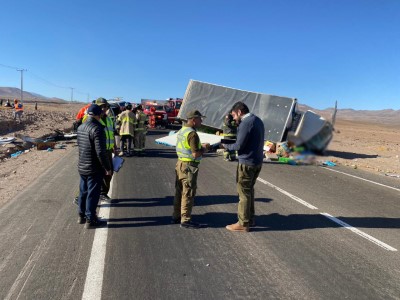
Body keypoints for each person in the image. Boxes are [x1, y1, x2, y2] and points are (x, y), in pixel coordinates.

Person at [222, 102, 264, 232]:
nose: (234, 118)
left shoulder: (246, 123)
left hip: (246, 162)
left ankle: (243, 223)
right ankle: (250, 219)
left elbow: (239, 145)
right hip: (256, 161)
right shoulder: (257, 120)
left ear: (240, 112)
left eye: (234, 115)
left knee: (243, 193)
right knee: (249, 191)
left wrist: (225, 146)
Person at [173, 110, 210, 229]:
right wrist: (204, 149)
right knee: (188, 193)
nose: (201, 121)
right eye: (199, 119)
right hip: (189, 166)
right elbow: (195, 154)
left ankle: (176, 216)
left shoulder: (182, 130)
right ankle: (186, 220)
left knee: (179, 191)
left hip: (180, 164)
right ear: (193, 120)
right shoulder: (192, 134)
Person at [77, 104, 112, 228]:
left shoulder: (81, 127)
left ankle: (81, 216)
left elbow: (81, 147)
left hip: (82, 165)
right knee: (93, 193)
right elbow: (100, 152)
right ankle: (90, 219)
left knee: (83, 192)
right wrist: (107, 168)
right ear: (99, 115)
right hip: (94, 167)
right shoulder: (98, 129)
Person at [95, 98, 115, 201]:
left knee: (109, 173)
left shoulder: (109, 119)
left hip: (107, 151)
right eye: (101, 106)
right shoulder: (93, 118)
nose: (103, 108)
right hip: (96, 151)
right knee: (94, 175)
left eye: (105, 106)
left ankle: (103, 193)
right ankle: (81, 196)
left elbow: (111, 134)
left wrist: (114, 147)